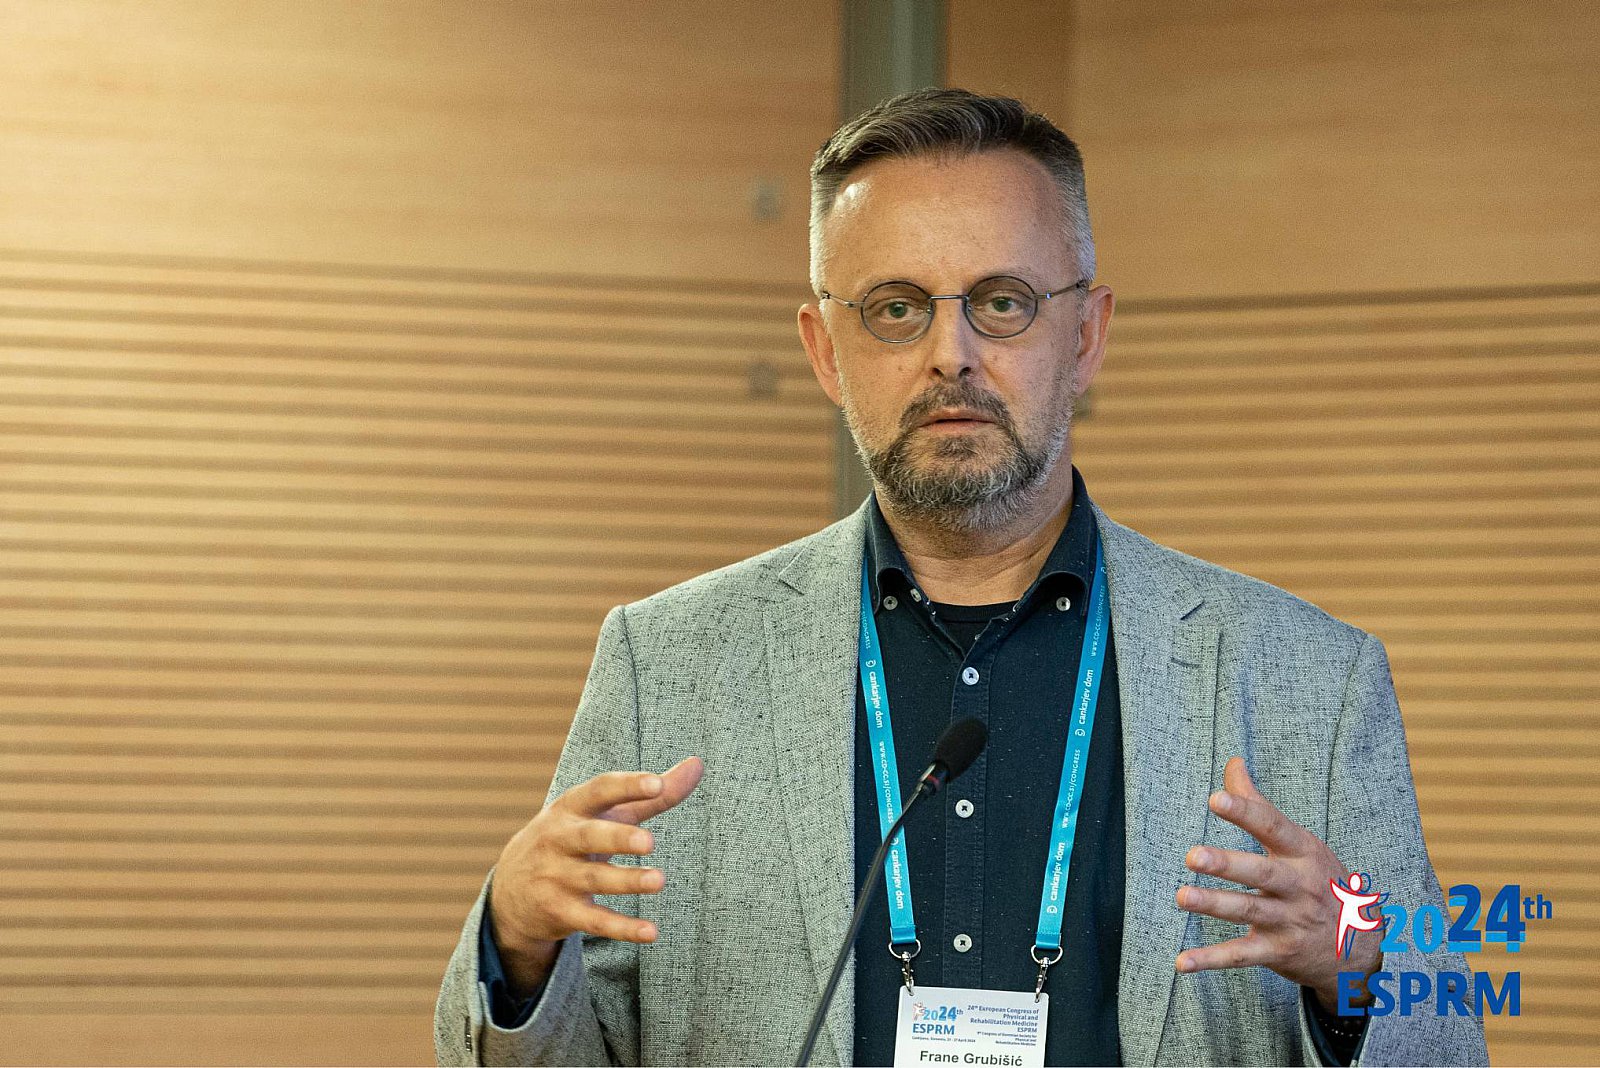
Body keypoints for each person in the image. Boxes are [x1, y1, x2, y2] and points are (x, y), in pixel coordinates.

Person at [434, 89, 1488, 1067]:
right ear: (824, 350)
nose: (951, 353)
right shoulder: (665, 661)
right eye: (895, 308)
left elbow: (1446, 1031)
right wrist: (515, 944)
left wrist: (1357, 968)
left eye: (1003, 303)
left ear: (1087, 334)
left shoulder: (1311, 679)